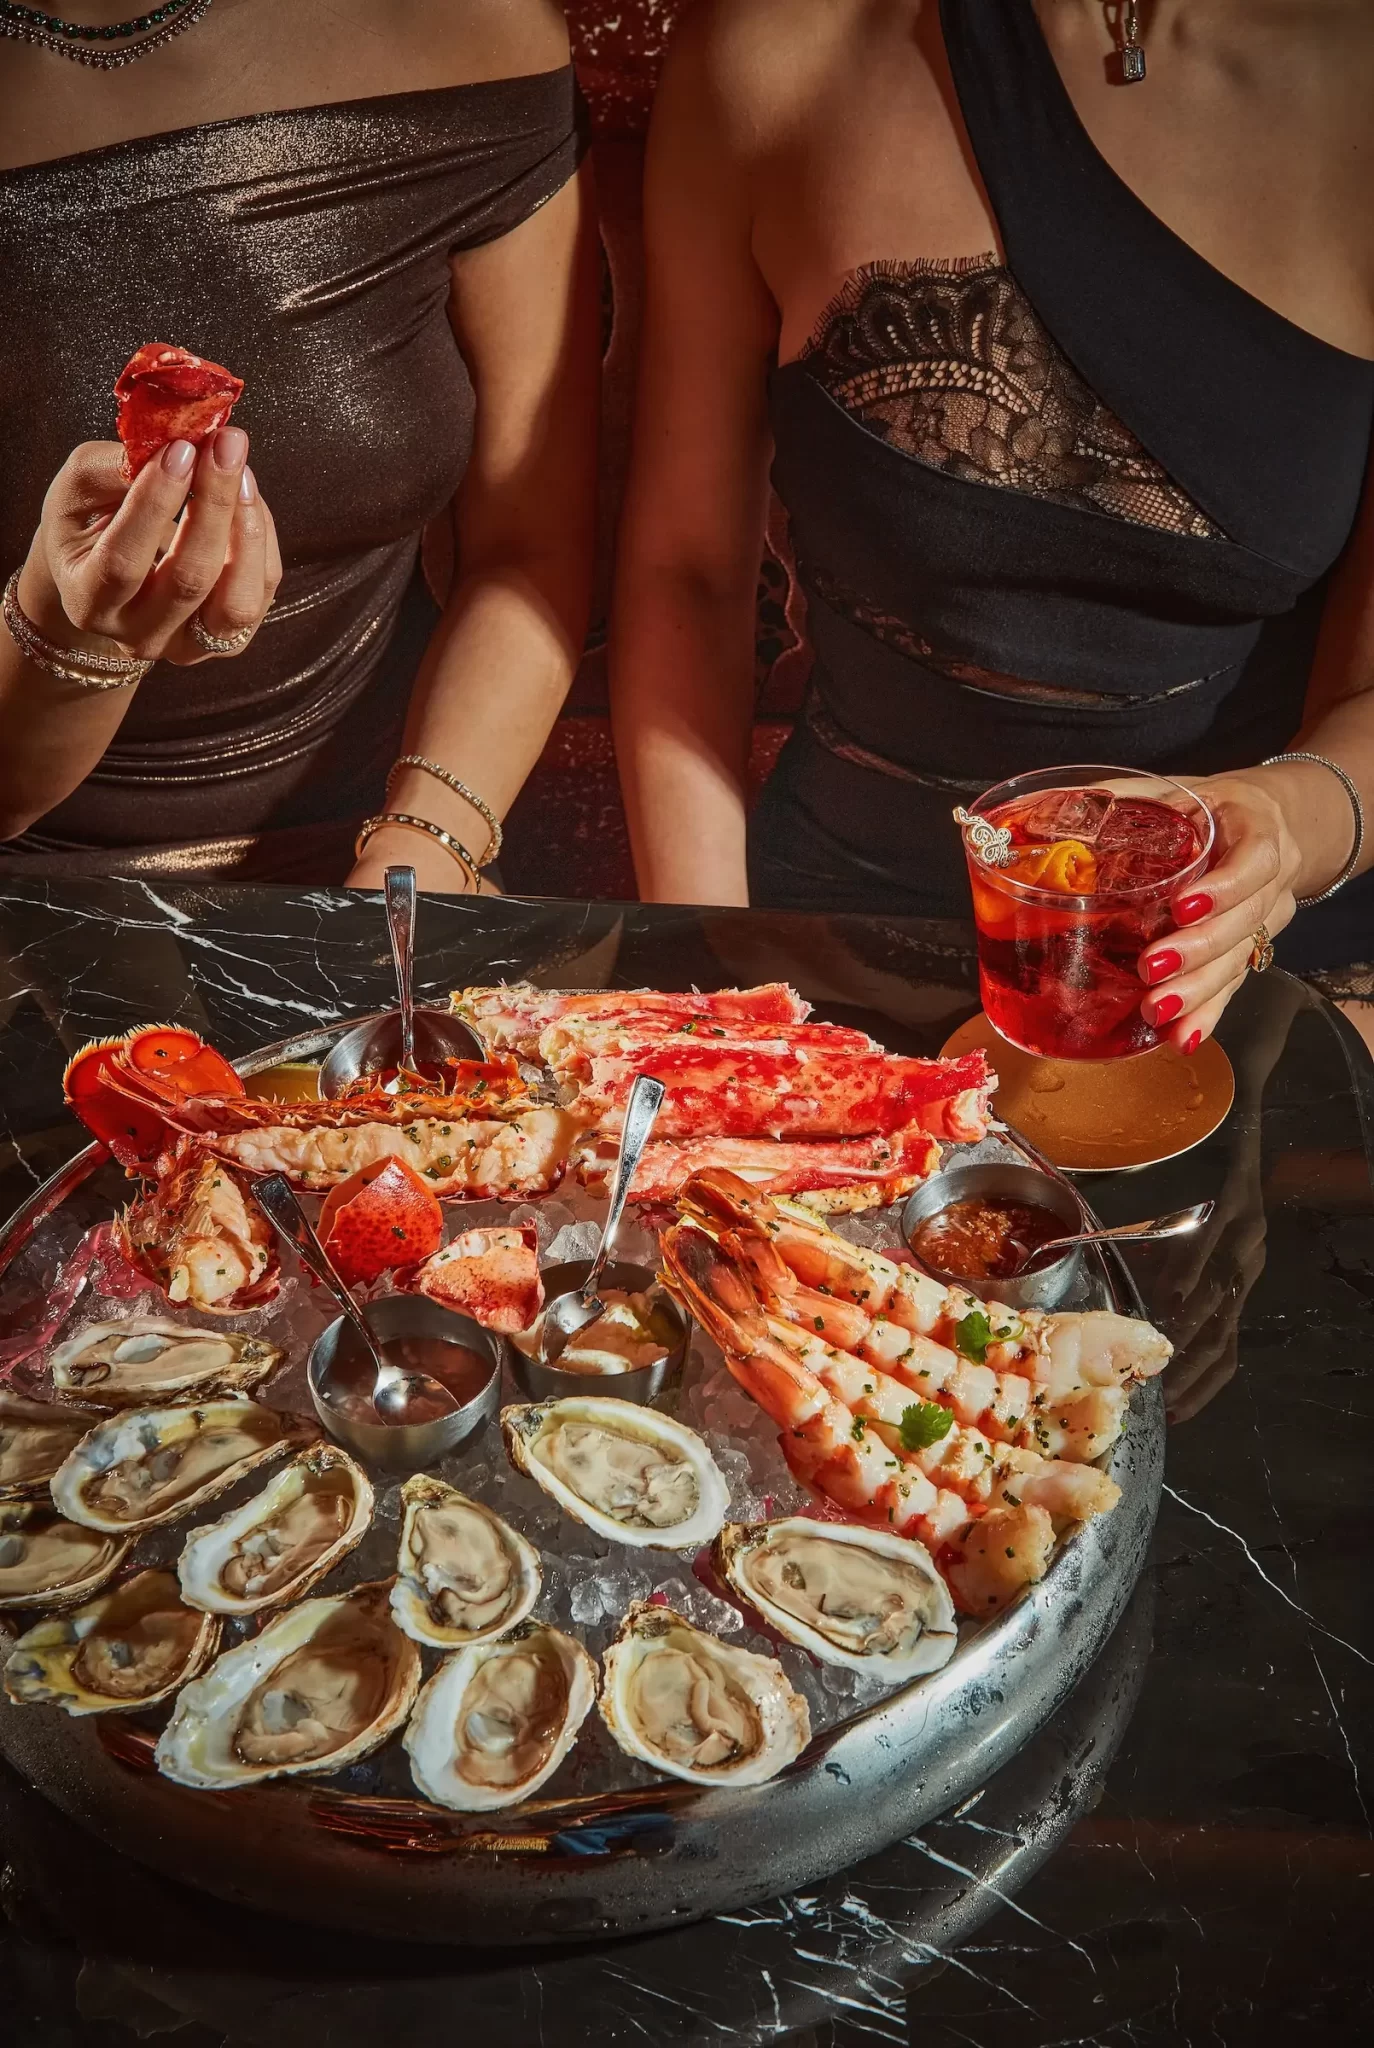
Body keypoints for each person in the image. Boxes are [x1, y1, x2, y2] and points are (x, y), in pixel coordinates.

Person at [611, 0, 1374, 1054]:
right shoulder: (780, 48)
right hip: (843, 936)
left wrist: (1283, 827)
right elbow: (685, 573)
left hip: (1238, 958)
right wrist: (720, 991)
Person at [0, 0, 599, 892]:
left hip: (381, 844)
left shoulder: (472, 32)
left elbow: (530, 547)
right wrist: (64, 644)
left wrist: (420, 852)